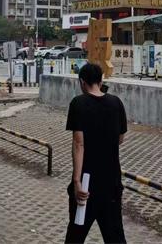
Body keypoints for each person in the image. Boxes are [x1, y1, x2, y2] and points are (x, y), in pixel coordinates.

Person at [64, 63, 127, 243]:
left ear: (82, 82)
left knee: (76, 234)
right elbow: (120, 138)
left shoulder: (78, 103)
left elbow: (79, 144)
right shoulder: (116, 103)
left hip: (86, 183)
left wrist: (76, 182)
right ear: (100, 81)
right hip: (111, 181)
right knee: (115, 236)